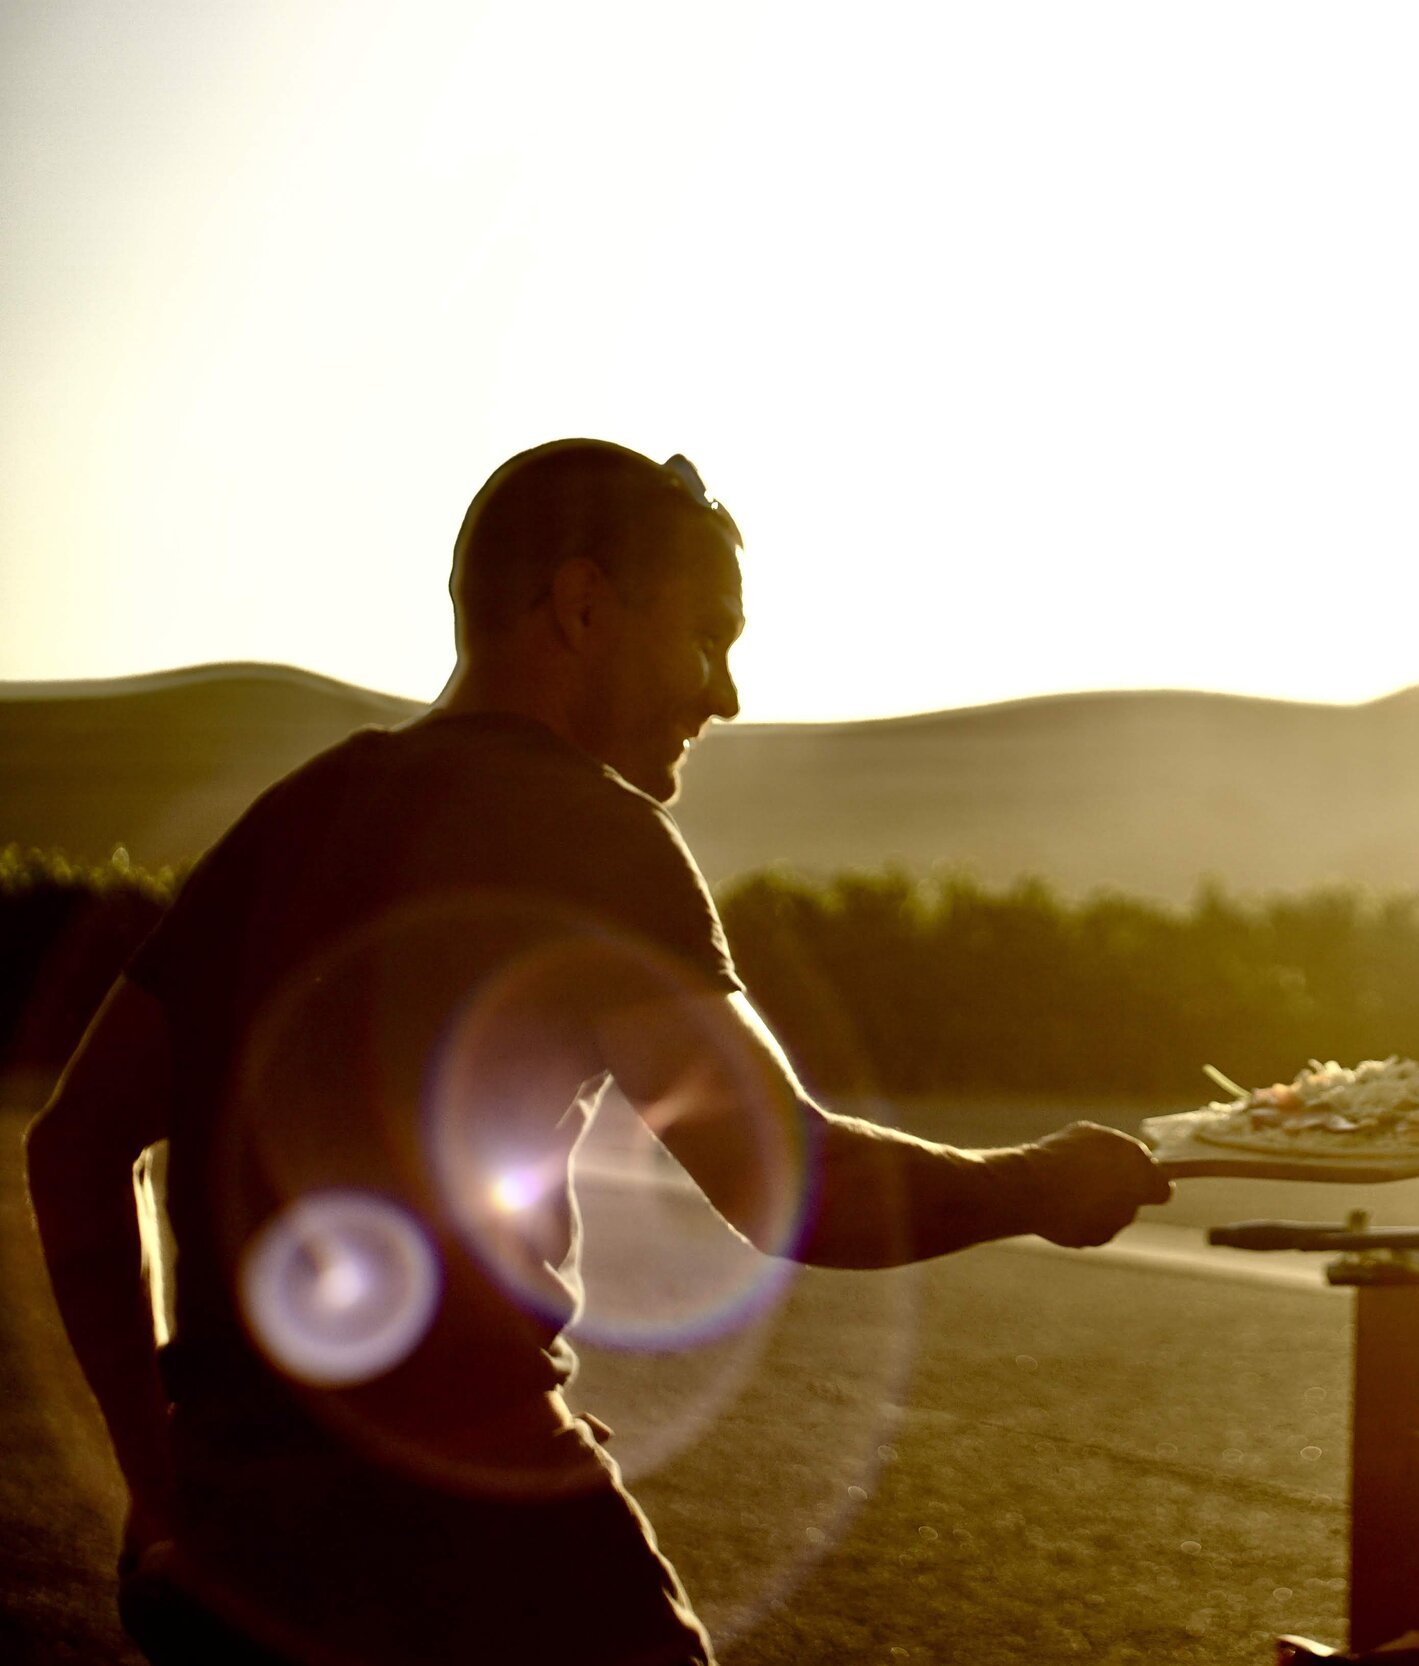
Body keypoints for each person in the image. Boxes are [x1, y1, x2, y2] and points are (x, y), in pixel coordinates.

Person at [22, 438, 1173, 1665]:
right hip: (468, 1530)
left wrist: (159, 1481)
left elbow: (74, 1145)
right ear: (580, 607)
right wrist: (1040, 1184)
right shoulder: (591, 834)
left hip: (240, 1547)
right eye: (707, 637)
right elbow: (790, 1186)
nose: (724, 693)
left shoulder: (296, 811)